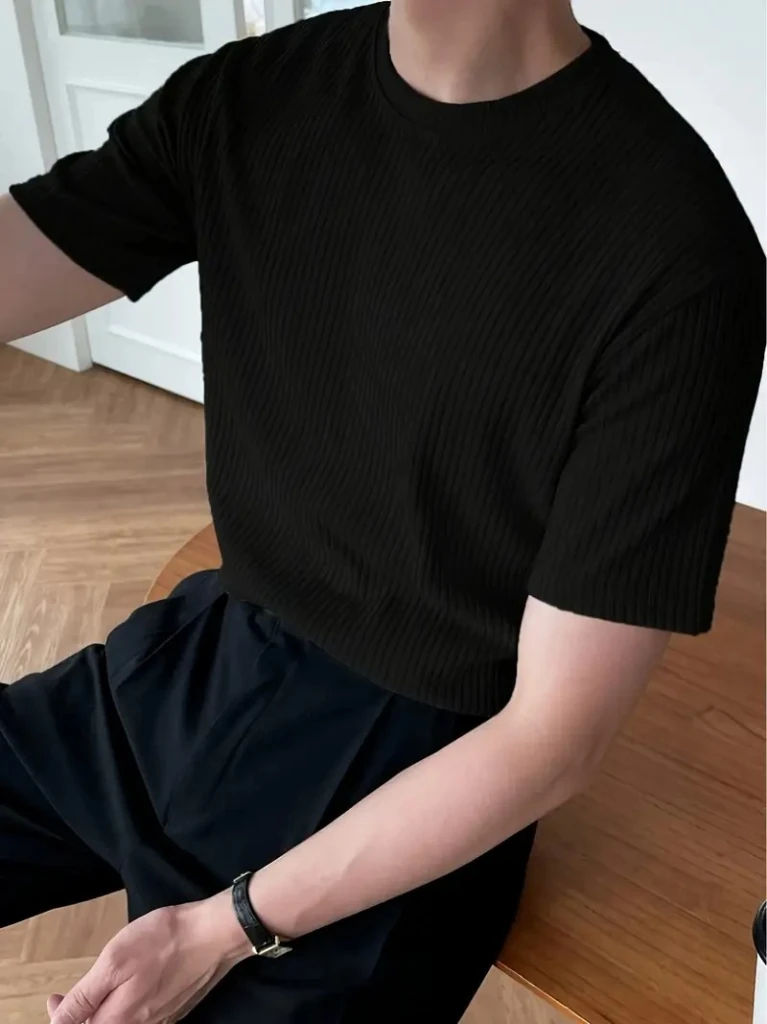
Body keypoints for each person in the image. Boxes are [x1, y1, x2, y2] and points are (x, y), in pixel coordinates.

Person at [0, 1, 764, 1021]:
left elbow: (553, 739)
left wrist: (222, 927)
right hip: (199, 657)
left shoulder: (674, 249)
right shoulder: (250, 98)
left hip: (409, 775)